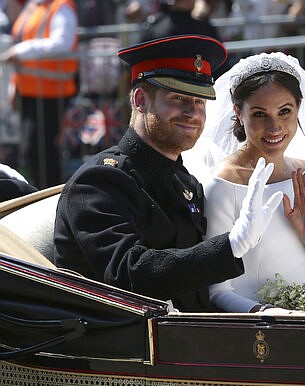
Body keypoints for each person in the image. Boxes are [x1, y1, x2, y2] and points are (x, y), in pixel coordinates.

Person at [53, 35, 283, 313]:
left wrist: (256, 311)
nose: (192, 112)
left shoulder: (185, 182)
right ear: (140, 100)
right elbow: (131, 275)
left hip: (188, 337)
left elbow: (198, 291)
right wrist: (231, 245)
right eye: (178, 98)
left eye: (200, 102)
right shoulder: (99, 182)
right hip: (127, 346)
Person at [184, 52, 305, 313]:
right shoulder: (220, 184)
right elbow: (217, 291)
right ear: (238, 112)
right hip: (256, 326)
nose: (275, 128)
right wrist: (267, 315)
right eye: (260, 114)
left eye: (285, 111)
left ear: (299, 107)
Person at [1, 0, 79, 188]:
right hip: (29, 93)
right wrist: (15, 86)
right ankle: (39, 194)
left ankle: (49, 197)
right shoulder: (34, 6)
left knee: (43, 153)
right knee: (33, 151)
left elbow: (62, 42)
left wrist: (22, 51)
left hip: (51, 93)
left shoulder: (61, 6)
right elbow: (20, 40)